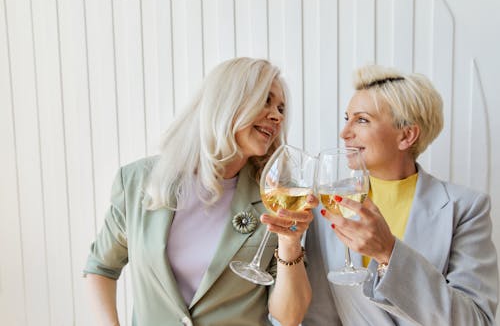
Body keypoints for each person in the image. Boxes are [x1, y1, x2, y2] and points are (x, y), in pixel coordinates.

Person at [83, 57, 314, 326]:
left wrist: (289, 244)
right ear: (226, 102)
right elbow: (101, 268)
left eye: (281, 108)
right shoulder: (136, 181)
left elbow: (289, 316)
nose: (277, 115)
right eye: (265, 100)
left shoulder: (275, 197)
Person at [303, 65, 499, 325]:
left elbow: (476, 320)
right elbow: (320, 316)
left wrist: (388, 253)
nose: (345, 132)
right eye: (346, 118)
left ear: (406, 135)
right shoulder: (328, 204)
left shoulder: (465, 208)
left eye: (361, 120)